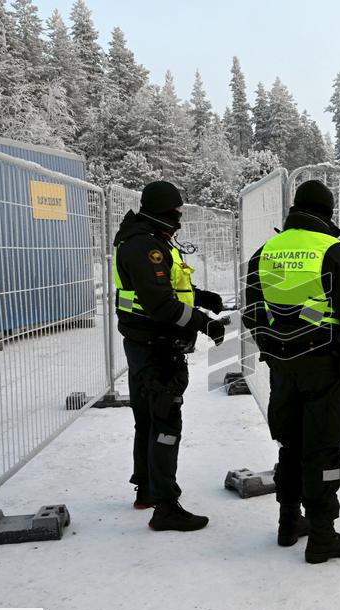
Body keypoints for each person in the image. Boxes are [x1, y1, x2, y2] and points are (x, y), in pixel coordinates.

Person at [242, 179, 340, 564]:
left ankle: (288, 523)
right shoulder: (333, 251)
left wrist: (274, 351)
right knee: (324, 447)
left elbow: (254, 313)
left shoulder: (264, 252)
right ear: (327, 212)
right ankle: (323, 535)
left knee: (290, 444)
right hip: (324, 364)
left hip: (283, 366)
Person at [113, 180, 227, 532]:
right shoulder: (146, 246)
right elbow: (161, 304)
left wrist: (202, 297)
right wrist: (204, 323)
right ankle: (166, 506)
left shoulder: (150, 239)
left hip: (146, 342)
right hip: (156, 345)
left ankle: (146, 488)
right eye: (176, 211)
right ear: (164, 210)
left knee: (148, 417)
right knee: (165, 422)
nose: (179, 217)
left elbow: (169, 287)